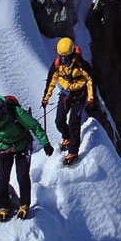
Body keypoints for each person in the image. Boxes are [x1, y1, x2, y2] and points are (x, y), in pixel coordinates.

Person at [42, 38, 95, 166]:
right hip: (65, 95)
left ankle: (73, 151)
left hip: (79, 96)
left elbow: (90, 82)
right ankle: (67, 137)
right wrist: (45, 99)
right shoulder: (57, 65)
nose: (63, 60)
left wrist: (91, 99)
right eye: (61, 56)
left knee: (74, 123)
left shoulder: (81, 65)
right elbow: (51, 82)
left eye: (65, 57)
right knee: (59, 121)